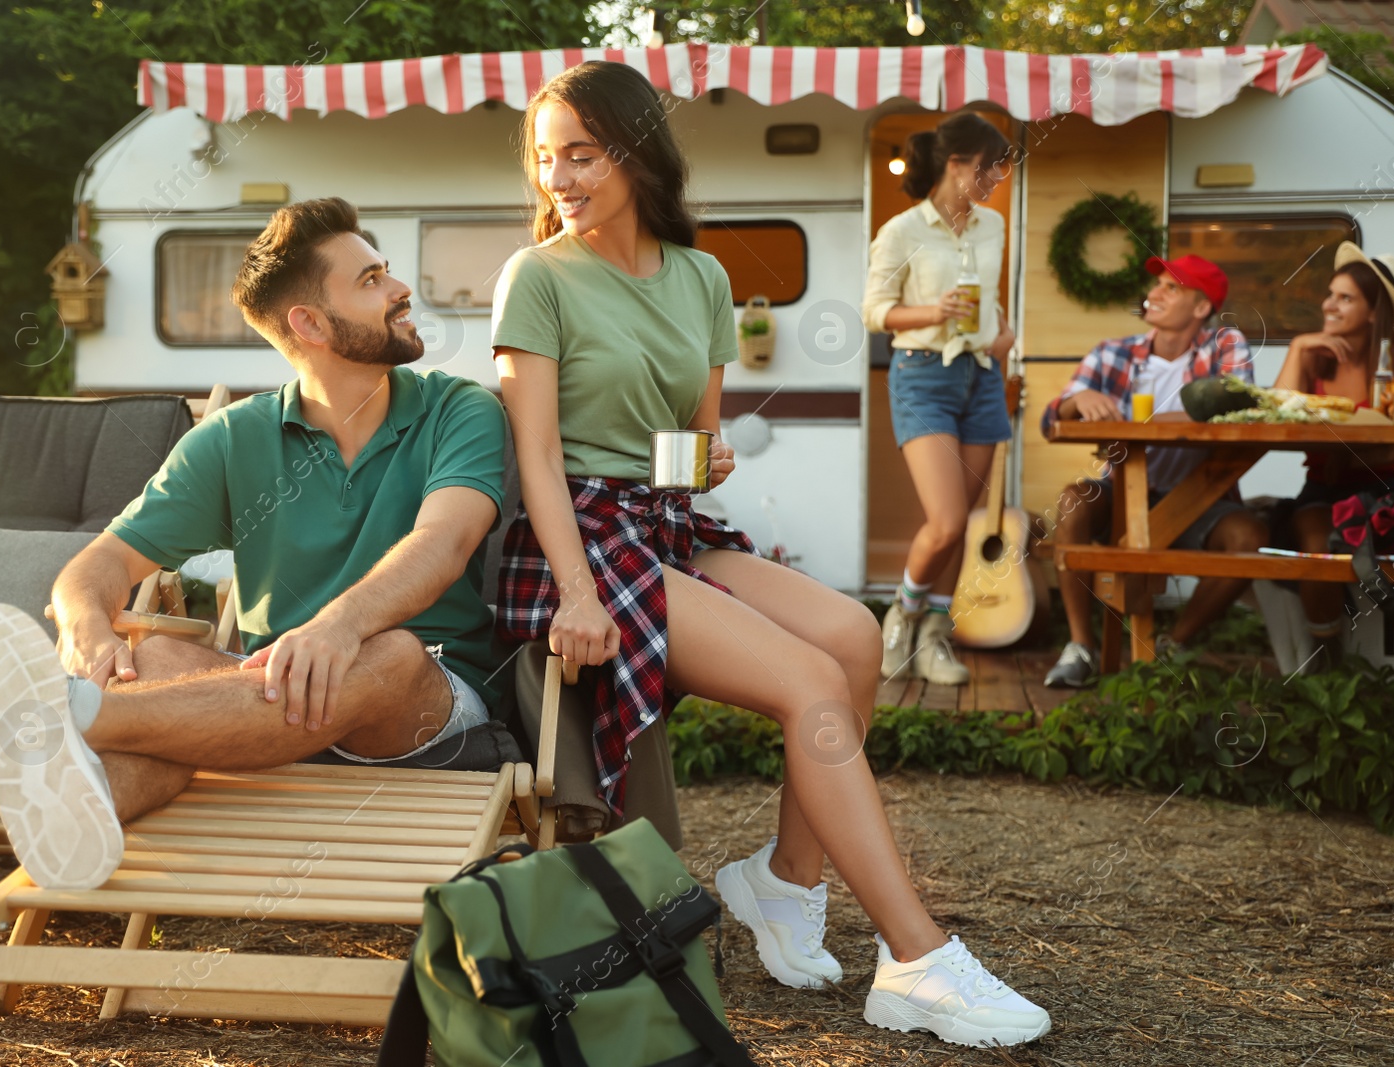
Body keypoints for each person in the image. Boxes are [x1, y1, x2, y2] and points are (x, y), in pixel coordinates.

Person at [491, 62, 1049, 1048]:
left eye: (579, 152)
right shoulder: (536, 277)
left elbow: (699, 440)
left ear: (633, 149)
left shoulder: (699, 275)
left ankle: (783, 881)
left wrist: (711, 450)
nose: (559, 177)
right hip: (569, 541)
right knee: (807, 680)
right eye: (546, 158)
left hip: (661, 520)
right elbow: (533, 451)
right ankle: (916, 957)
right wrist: (577, 589)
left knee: (853, 637)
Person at [0, 197, 508, 891]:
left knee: (389, 654)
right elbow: (101, 563)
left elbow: (443, 544)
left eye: (384, 273)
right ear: (310, 323)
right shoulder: (237, 436)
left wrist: (335, 629)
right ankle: (78, 821)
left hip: (422, 710)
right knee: (157, 658)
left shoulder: (457, 409)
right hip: (261, 710)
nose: (399, 289)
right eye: (370, 280)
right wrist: (88, 634)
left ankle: (62, 717)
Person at [1042, 255, 1266, 688]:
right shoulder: (1113, 352)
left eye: (1171, 288)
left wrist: (1149, 425)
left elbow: (1240, 408)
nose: (1155, 293)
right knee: (1072, 502)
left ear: (1201, 308)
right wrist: (1079, 399)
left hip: (1198, 496)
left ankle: (1174, 644)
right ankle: (1080, 647)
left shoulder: (1224, 345)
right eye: (1157, 285)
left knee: (1251, 539)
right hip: (1122, 492)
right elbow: (1051, 419)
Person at [862, 112, 1018, 686]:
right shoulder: (903, 230)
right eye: (987, 172)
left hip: (980, 374)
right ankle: (900, 615)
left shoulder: (993, 227)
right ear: (956, 165)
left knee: (968, 520)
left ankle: (934, 634)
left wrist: (1002, 335)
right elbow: (875, 312)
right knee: (947, 519)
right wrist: (936, 312)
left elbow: (992, 301)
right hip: (922, 372)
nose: (993, 183)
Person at [1269, 243, 1394, 669]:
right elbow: (1274, 417)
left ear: (1374, 313)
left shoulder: (1393, 356)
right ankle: (1327, 658)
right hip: (1324, 489)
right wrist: (1299, 347)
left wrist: (1373, 446)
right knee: (1318, 544)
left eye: (1345, 298)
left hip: (1385, 488)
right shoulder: (1313, 354)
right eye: (1330, 294)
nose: (1329, 305)